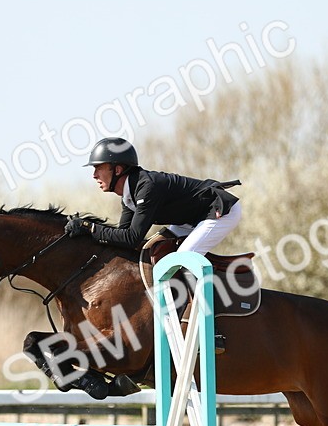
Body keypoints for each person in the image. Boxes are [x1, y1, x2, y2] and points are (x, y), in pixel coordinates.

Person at [65, 137, 241, 353]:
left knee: (185, 256)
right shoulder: (129, 194)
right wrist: (88, 232)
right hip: (189, 220)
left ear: (117, 169)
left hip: (219, 212)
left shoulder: (146, 187)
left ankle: (211, 332)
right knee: (155, 248)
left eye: (98, 168)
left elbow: (132, 237)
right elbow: (123, 239)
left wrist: (90, 228)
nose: (94, 175)